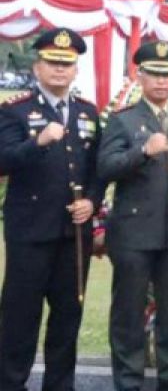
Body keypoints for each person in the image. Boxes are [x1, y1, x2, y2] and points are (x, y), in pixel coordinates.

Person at [98, 40, 168, 391]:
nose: (161, 81)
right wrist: (143, 151)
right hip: (132, 232)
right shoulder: (123, 120)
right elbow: (106, 168)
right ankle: (128, 380)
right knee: (129, 310)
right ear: (139, 77)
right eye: (154, 74)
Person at [0, 29, 103, 391]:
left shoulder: (88, 112)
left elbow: (97, 170)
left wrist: (92, 200)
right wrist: (37, 142)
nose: (60, 70)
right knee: (20, 315)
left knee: (67, 316)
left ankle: (60, 385)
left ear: (75, 70)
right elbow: (3, 160)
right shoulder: (15, 111)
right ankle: (11, 383)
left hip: (73, 234)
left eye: (67, 64)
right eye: (53, 63)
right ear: (38, 66)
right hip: (30, 230)